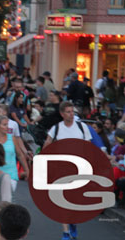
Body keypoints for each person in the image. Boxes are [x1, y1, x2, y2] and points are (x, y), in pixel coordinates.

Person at [43, 101, 92, 240]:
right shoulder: (56, 128)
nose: (71, 114)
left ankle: (73, 222)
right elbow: (47, 144)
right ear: (62, 114)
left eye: (73, 112)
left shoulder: (82, 127)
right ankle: (65, 232)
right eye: (68, 112)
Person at [0, 115, 29, 193]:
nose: (7, 127)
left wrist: (27, 171)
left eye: (7, 124)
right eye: (4, 125)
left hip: (11, 175)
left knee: (7, 201)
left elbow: (20, 155)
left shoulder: (12, 139)